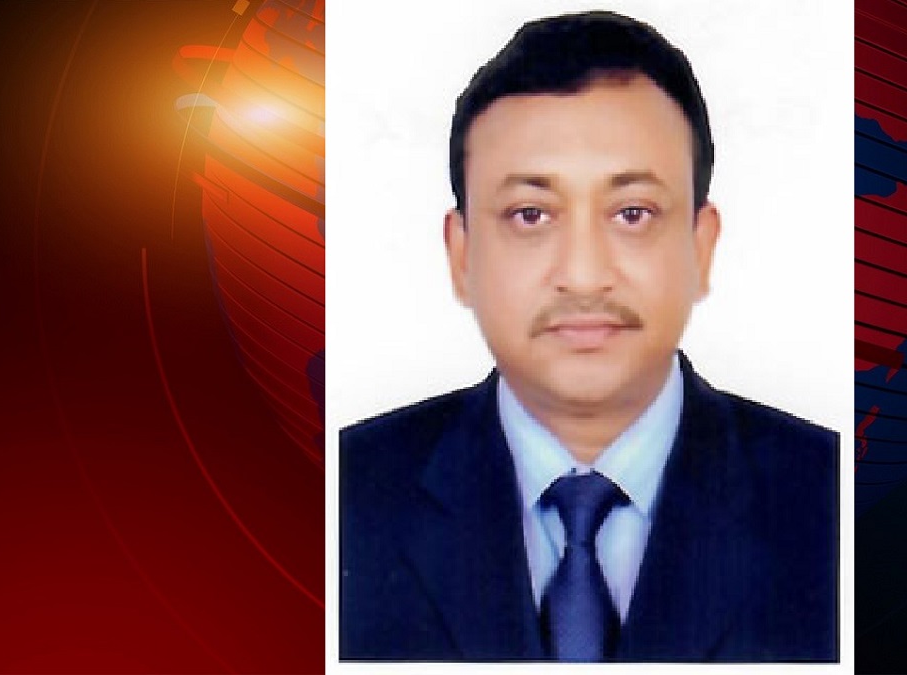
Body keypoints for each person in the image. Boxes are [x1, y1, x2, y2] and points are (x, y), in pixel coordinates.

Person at [339, 10, 838, 662]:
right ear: (461, 255)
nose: (582, 274)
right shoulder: (334, 497)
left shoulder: (839, 503)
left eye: (632, 213)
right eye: (530, 214)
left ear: (701, 246)